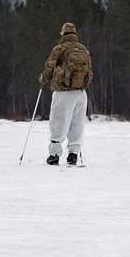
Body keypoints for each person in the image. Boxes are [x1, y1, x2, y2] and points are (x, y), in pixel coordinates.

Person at [40, 22, 92, 167]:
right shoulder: (83, 49)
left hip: (63, 91)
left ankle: (54, 155)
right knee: (77, 124)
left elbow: (50, 65)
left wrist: (44, 79)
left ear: (63, 33)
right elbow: (90, 70)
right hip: (81, 92)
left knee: (59, 122)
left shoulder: (60, 48)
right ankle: (73, 154)